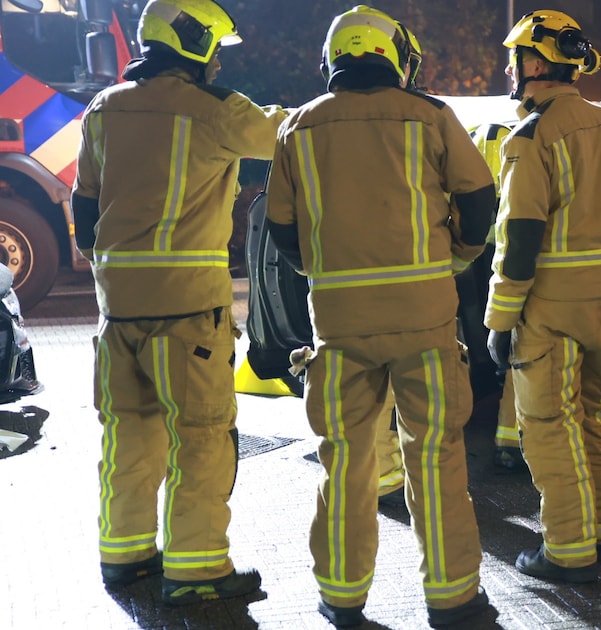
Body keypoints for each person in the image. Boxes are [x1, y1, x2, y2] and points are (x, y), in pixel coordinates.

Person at [264, 6, 495, 627]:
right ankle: (452, 600)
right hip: (425, 321)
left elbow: (282, 230)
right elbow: (478, 202)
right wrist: (456, 257)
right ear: (396, 56)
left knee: (345, 462)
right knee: (437, 458)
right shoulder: (431, 116)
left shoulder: (297, 128)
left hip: (338, 328)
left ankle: (341, 596)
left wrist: (326, 270)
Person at [71, 0, 286, 604]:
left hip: (117, 311)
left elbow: (84, 208)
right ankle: (196, 572)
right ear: (193, 43)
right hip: (188, 310)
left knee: (129, 436)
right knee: (202, 436)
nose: (218, 60)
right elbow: (287, 136)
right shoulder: (213, 110)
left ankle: (126, 557)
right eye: (215, 47)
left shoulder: (103, 109)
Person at [485, 9, 601, 582]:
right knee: (597, 415)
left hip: (549, 305)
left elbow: (519, 238)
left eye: (516, 59)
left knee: (550, 423)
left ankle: (567, 551)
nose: (511, 70)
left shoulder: (531, 137)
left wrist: (499, 318)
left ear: (534, 62)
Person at [467, 122, 527, 471]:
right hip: (510, 276)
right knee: (517, 362)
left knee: (509, 363)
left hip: (481, 275)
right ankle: (511, 444)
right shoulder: (521, 165)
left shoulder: (469, 206)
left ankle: (507, 443)